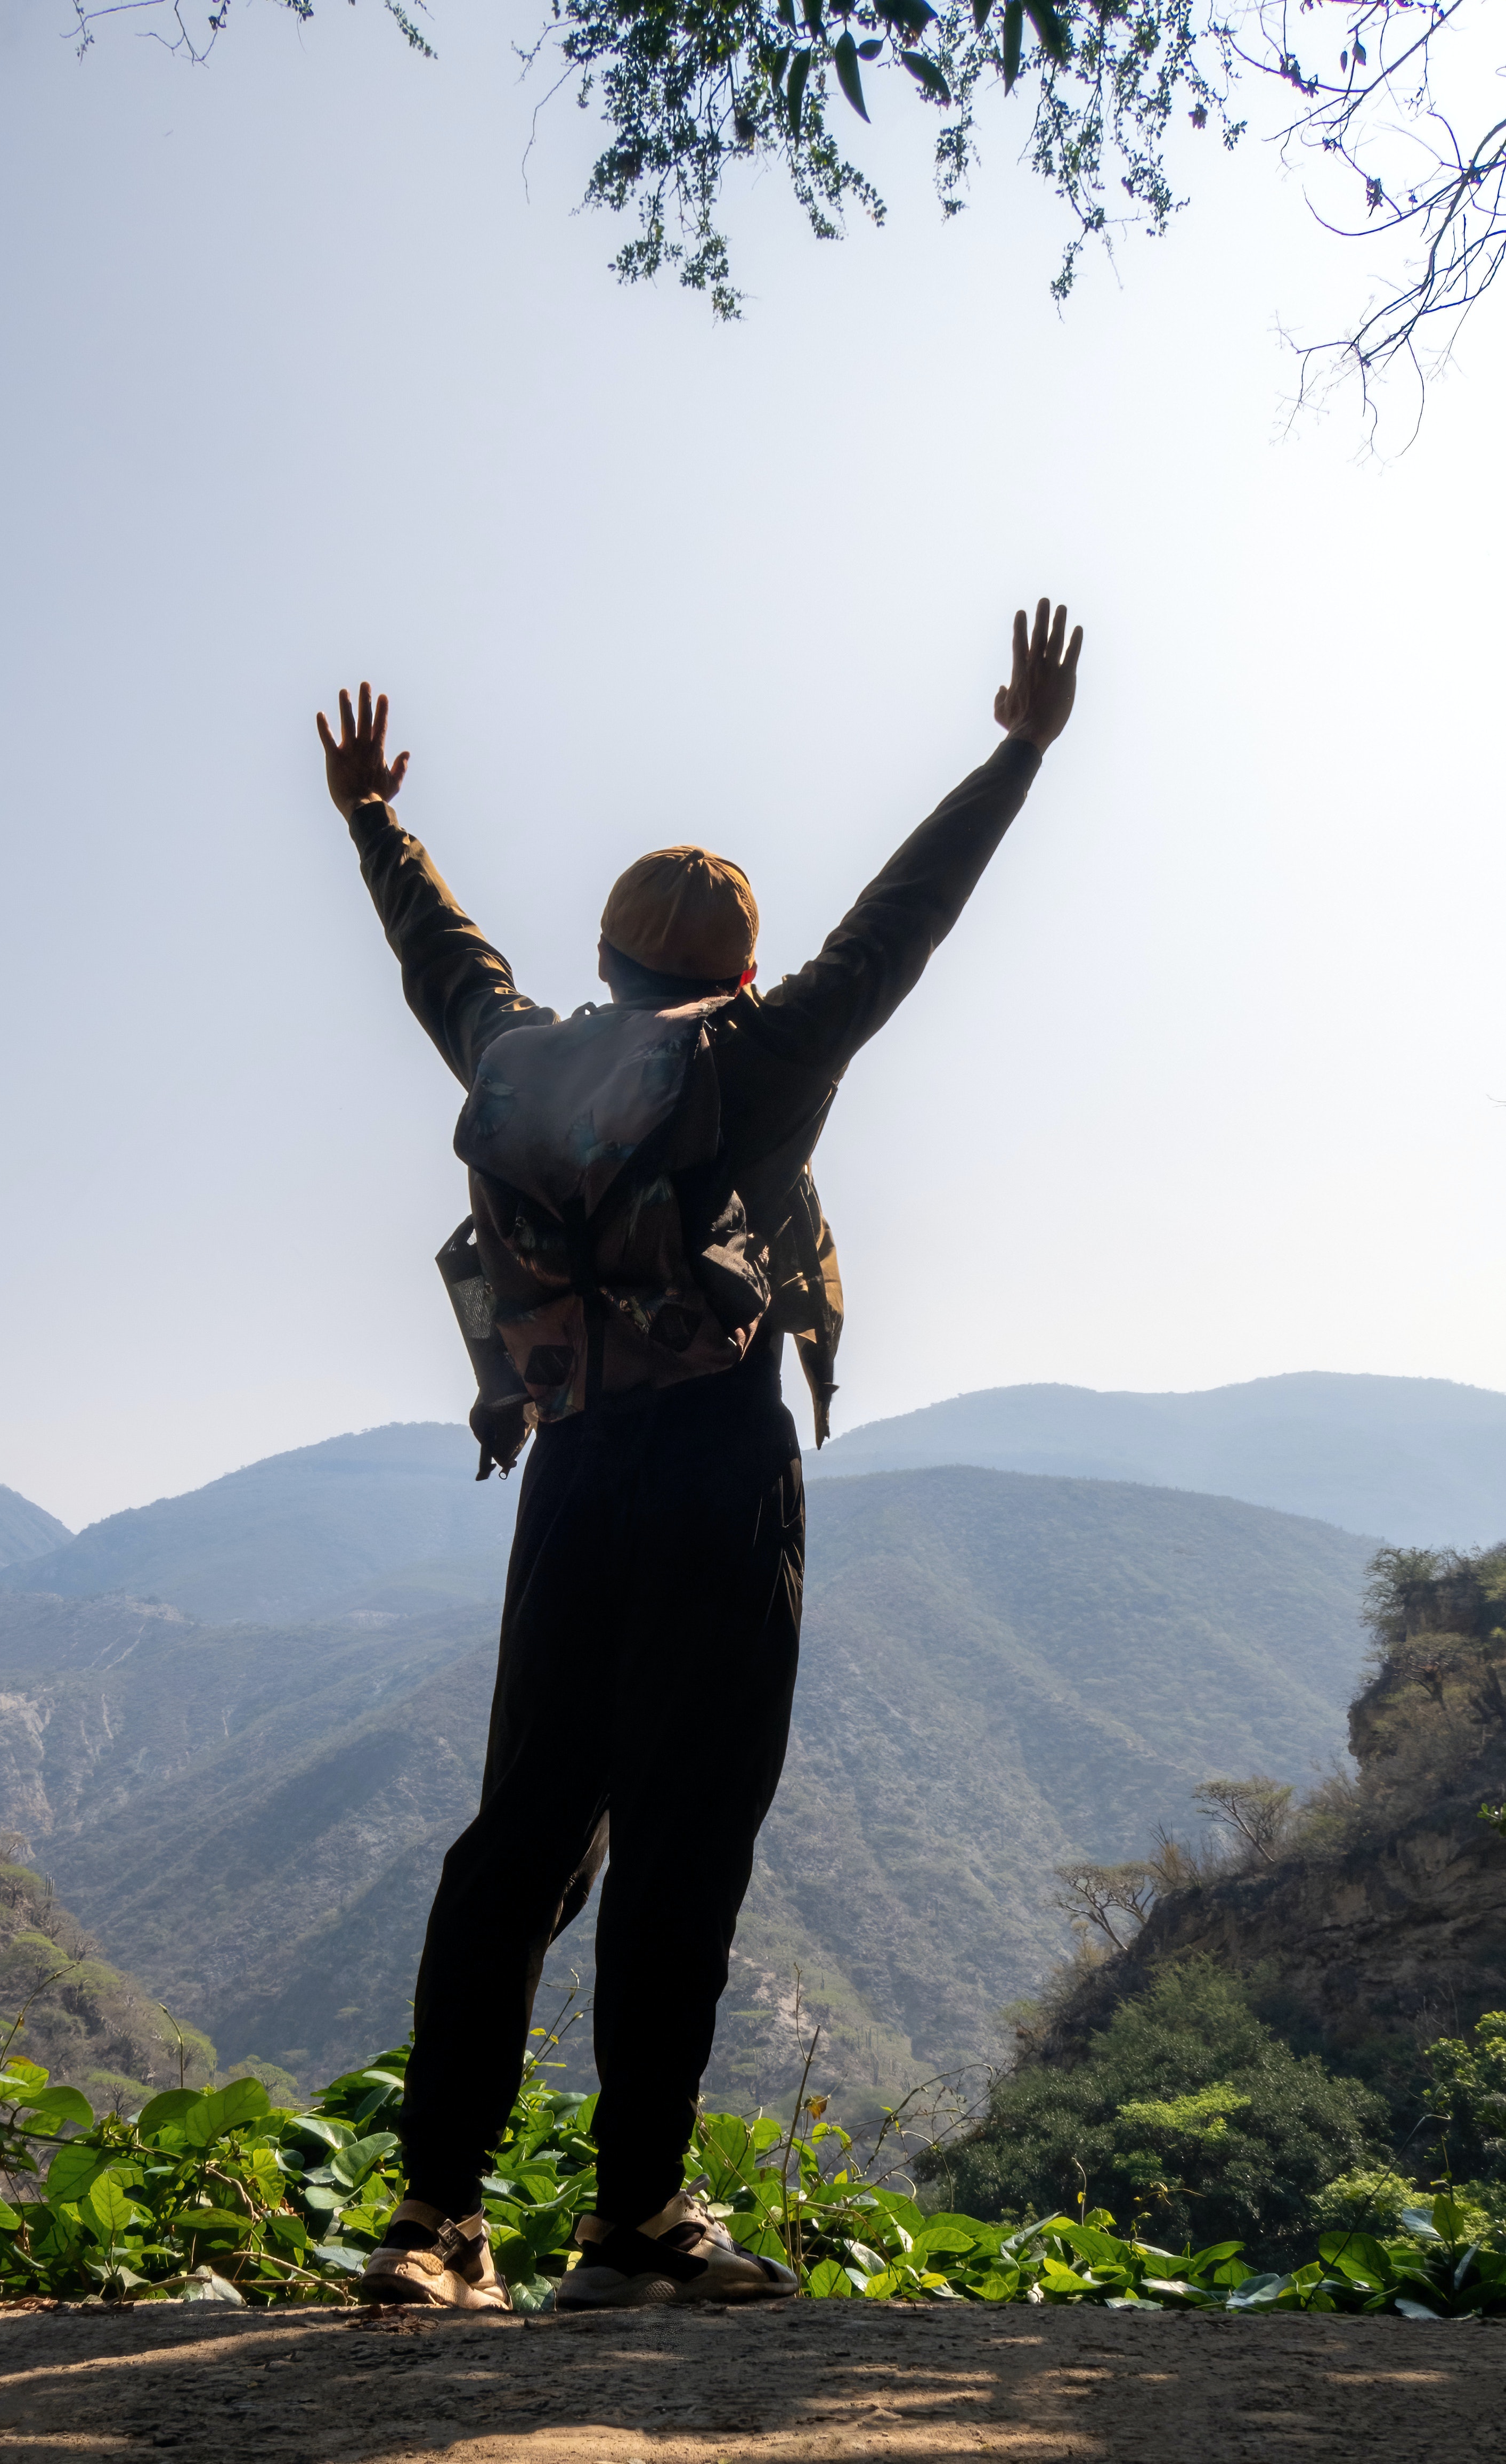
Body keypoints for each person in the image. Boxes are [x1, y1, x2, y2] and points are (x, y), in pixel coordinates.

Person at [316, 598, 1084, 2313]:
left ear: (603, 961)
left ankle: (436, 2221)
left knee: (516, 1839)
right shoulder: (763, 1058)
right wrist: (1016, 753)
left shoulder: (513, 1053)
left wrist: (374, 817)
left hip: (572, 1476)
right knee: (683, 1841)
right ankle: (636, 2217)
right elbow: (903, 925)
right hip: (721, 1484)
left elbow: (439, 956)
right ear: (739, 968)